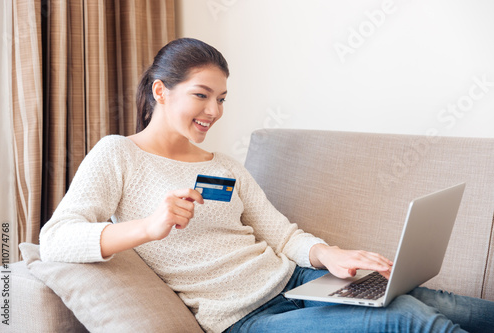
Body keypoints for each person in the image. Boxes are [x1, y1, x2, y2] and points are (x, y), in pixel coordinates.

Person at [40, 38, 494, 333]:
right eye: (201, 94)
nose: (214, 110)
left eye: (220, 99)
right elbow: (55, 238)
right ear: (161, 92)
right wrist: (149, 227)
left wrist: (328, 255)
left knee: (450, 306)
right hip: (246, 319)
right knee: (412, 321)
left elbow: (281, 235)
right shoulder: (118, 154)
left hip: (296, 281)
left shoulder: (226, 165)